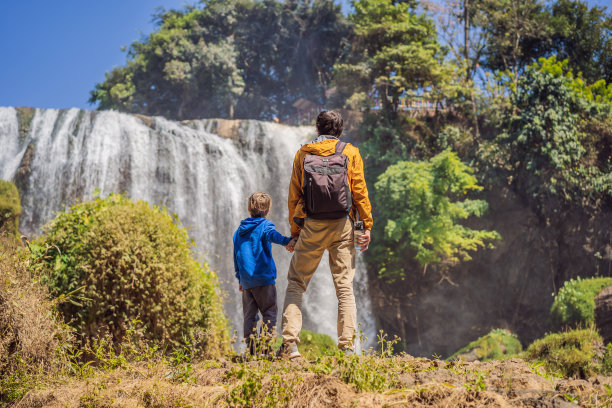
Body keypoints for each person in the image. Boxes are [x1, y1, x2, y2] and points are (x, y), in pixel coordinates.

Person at [278, 110, 373, 359]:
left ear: (317, 129)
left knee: (296, 284)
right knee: (344, 287)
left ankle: (290, 346)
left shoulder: (303, 153)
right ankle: (347, 348)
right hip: (343, 224)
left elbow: (294, 196)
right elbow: (359, 194)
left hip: (312, 225)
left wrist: (296, 232)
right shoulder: (350, 152)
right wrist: (365, 228)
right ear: (339, 130)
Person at [233, 192, 296, 357]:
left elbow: (236, 255)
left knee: (250, 315)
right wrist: (287, 241)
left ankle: (252, 349)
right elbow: (272, 236)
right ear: (268, 209)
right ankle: (266, 347)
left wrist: (239, 277)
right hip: (264, 279)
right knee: (269, 311)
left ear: (249, 208)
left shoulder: (239, 231)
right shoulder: (265, 225)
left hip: (247, 282)